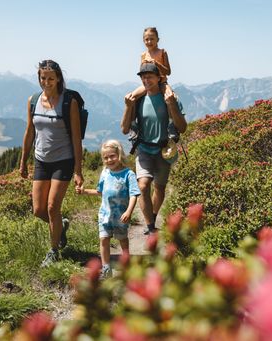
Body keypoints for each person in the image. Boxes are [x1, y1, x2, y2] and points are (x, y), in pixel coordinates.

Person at [19, 59, 84, 267]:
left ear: (58, 79)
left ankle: (54, 250)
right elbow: (29, 132)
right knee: (38, 210)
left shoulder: (69, 102)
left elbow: (76, 137)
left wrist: (78, 170)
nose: (46, 82)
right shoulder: (33, 100)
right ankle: (61, 227)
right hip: (41, 160)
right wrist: (23, 162)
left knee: (52, 206)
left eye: (50, 78)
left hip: (63, 160)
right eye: (42, 78)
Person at [121, 63, 187, 235]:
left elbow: (182, 127)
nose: (146, 79)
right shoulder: (137, 100)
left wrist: (171, 104)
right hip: (143, 149)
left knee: (159, 188)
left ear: (159, 78)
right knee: (142, 186)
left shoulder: (171, 98)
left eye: (150, 76)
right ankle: (151, 228)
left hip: (164, 150)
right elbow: (124, 129)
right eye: (143, 77)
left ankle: (152, 216)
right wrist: (128, 107)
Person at [76, 140, 140, 278]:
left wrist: (129, 211)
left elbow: (134, 194)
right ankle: (106, 269)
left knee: (122, 240)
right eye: (106, 157)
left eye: (112, 156)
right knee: (104, 239)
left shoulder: (128, 174)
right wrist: (85, 191)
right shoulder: (105, 173)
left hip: (121, 216)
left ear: (119, 154)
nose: (109, 160)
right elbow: (100, 192)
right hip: (105, 215)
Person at [127, 27, 173, 101]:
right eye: (146, 39)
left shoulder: (162, 52)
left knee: (171, 98)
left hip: (162, 83)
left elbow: (168, 72)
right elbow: (142, 74)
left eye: (152, 39)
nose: (149, 42)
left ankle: (176, 112)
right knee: (130, 97)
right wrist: (143, 66)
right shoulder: (143, 55)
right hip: (148, 84)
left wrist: (157, 64)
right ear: (143, 41)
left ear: (157, 40)